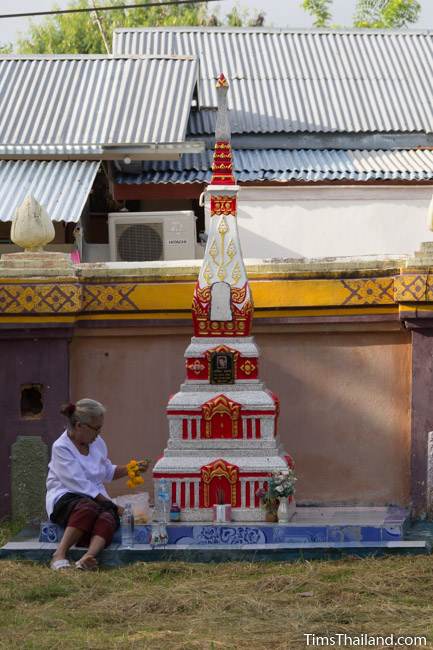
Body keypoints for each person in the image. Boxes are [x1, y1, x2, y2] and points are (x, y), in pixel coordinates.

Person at [46, 398, 149, 570]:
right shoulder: (61, 447)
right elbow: (81, 486)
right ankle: (59, 554)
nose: (98, 433)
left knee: (108, 517)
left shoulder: (96, 443)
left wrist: (131, 469)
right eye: (96, 428)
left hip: (95, 498)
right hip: (66, 498)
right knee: (90, 506)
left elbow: (106, 471)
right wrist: (113, 505)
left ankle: (87, 558)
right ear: (79, 426)